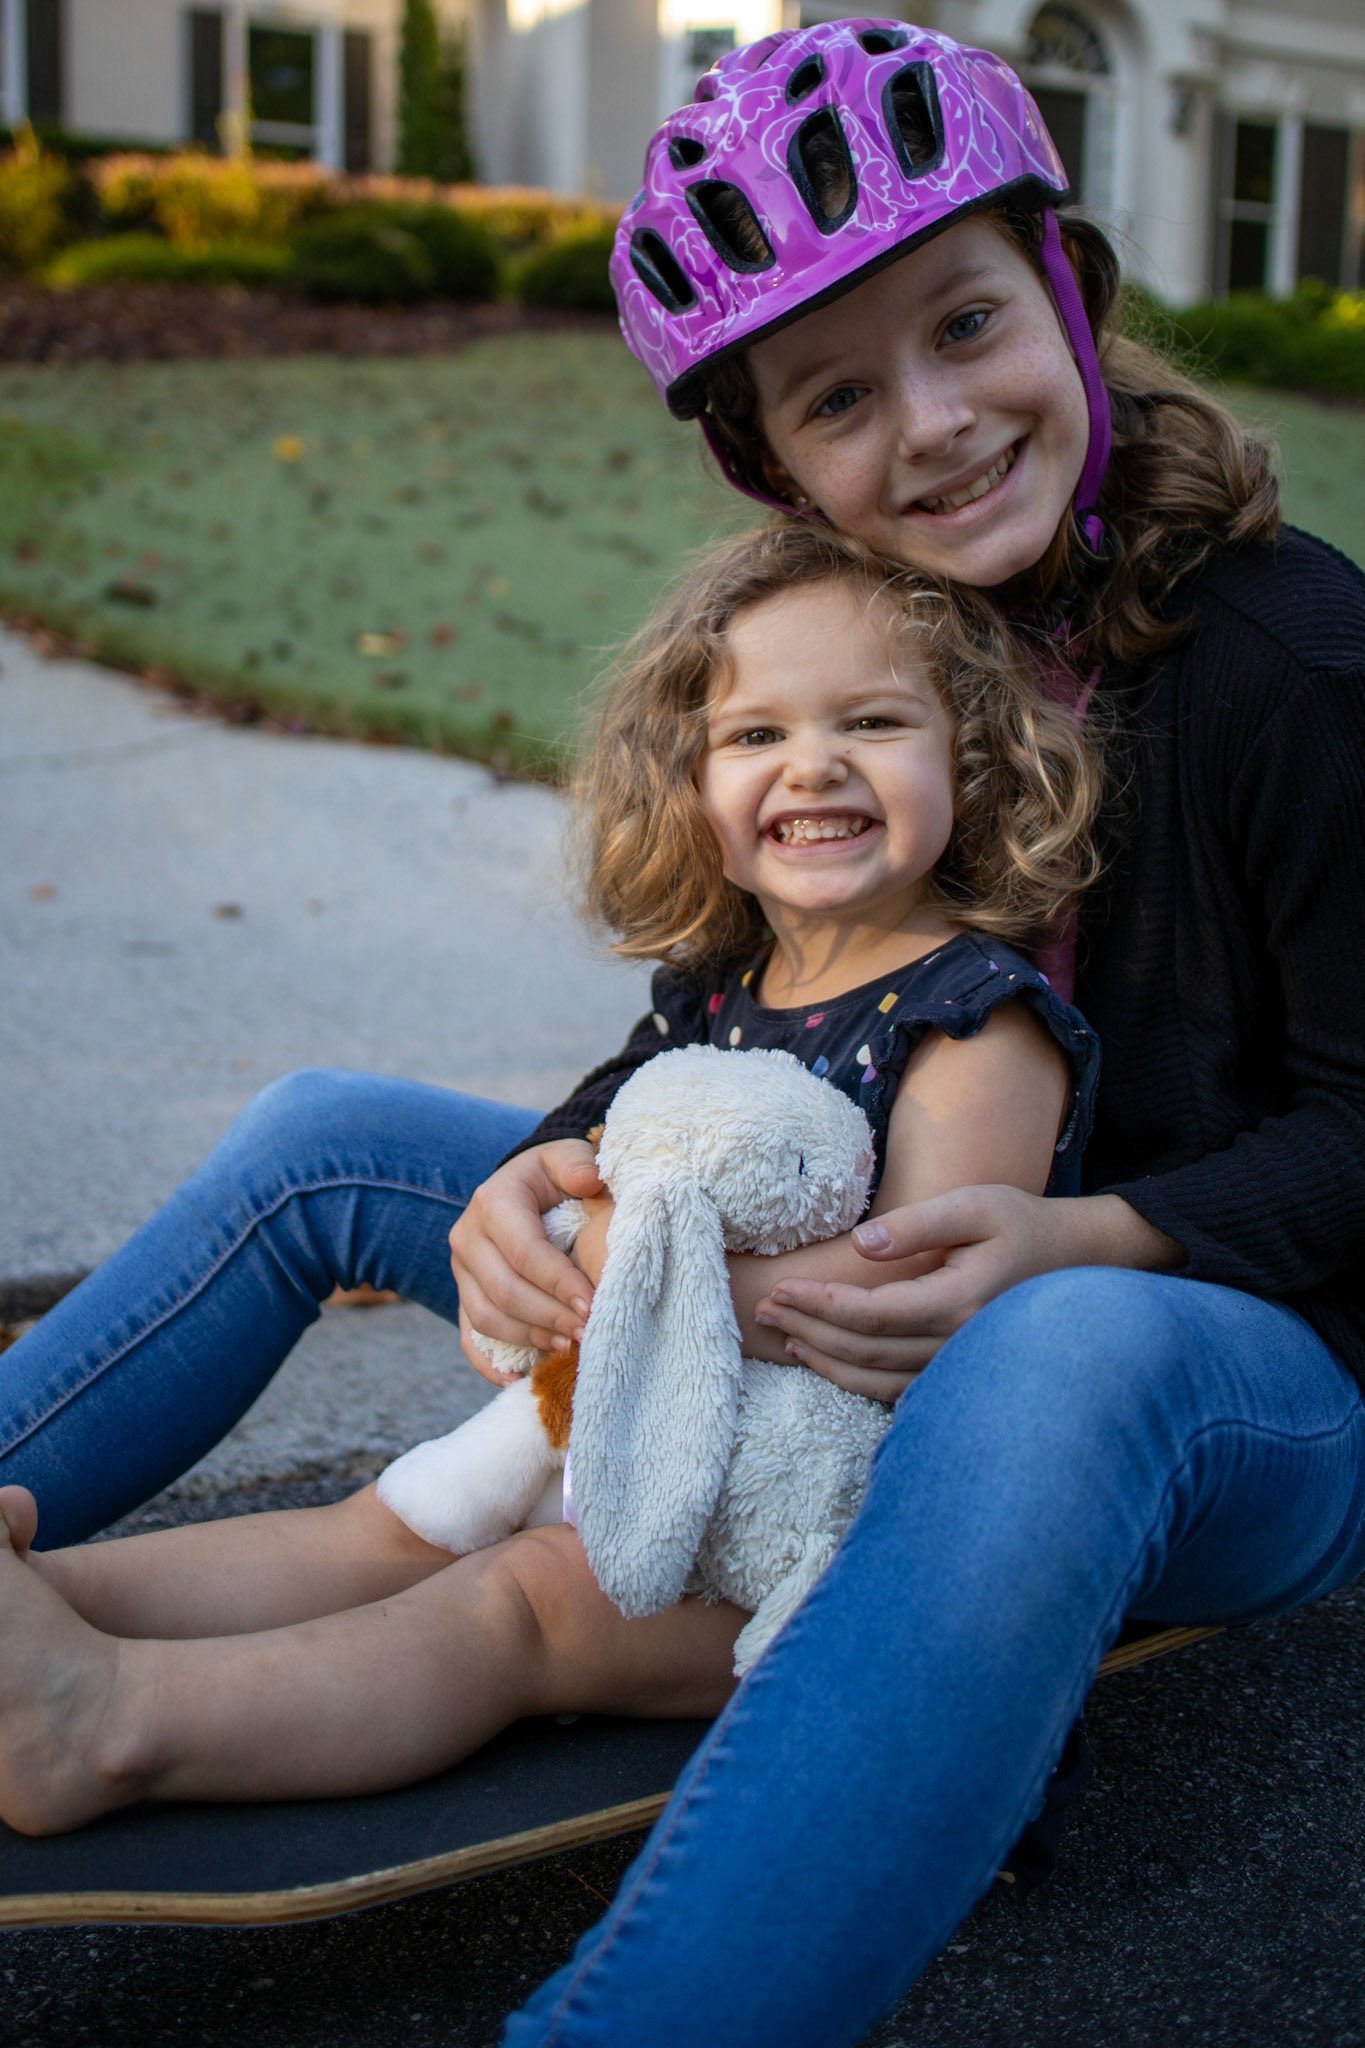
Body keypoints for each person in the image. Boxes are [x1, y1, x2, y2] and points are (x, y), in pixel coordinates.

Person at [0, 18, 1361, 2041]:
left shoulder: (1287, 662)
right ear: (771, 461)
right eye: (835, 394)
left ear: (1065, 297)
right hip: (826, 1283)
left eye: (964, 324)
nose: (928, 424)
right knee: (324, 1134)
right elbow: (707, 1026)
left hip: (1209, 1378)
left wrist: (1090, 1237)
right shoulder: (847, 664)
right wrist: (550, 1165)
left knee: (1054, 1355)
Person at [0, 519, 1102, 1836]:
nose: (813, 766)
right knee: (382, 1529)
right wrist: (542, 1213)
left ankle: (98, 1725)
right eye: (754, 736)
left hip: (823, 1544)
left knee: (512, 1604)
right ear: (688, 780)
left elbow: (906, 1296)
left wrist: (609, 1260)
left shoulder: (977, 1019)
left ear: (969, 761)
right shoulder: (717, 989)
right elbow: (592, 1159)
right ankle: (50, 1607)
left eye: (869, 723)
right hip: (636, 1429)